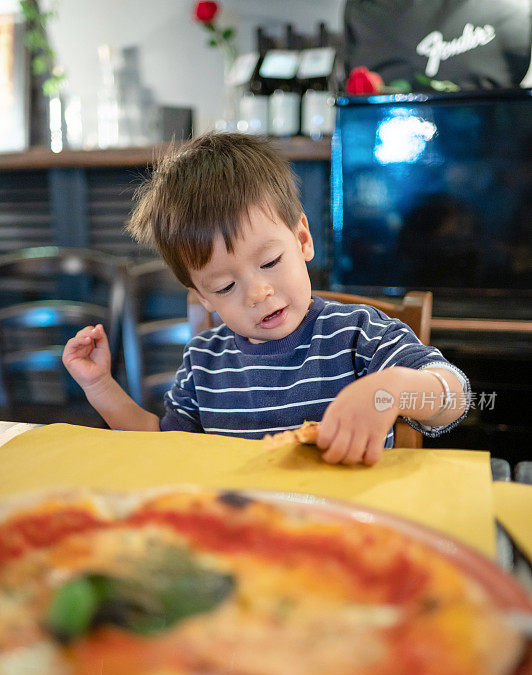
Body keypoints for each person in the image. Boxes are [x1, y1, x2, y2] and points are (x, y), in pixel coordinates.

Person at [62, 132, 470, 465]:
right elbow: (163, 447)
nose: (259, 292)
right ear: (203, 297)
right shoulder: (203, 360)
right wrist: (100, 386)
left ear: (302, 239)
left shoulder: (360, 334)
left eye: (271, 261)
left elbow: (455, 395)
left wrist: (394, 387)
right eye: (225, 288)